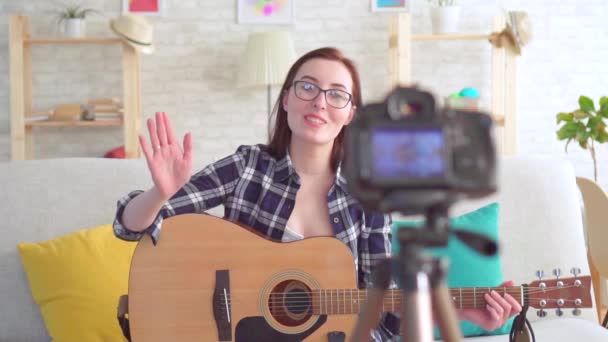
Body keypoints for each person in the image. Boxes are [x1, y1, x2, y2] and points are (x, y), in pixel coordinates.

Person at [113, 47, 522, 341]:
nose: (320, 102)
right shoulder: (246, 167)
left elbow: (382, 316)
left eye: (337, 94)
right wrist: (160, 193)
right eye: (307, 87)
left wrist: (457, 312)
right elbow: (130, 228)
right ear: (287, 98)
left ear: (350, 114)